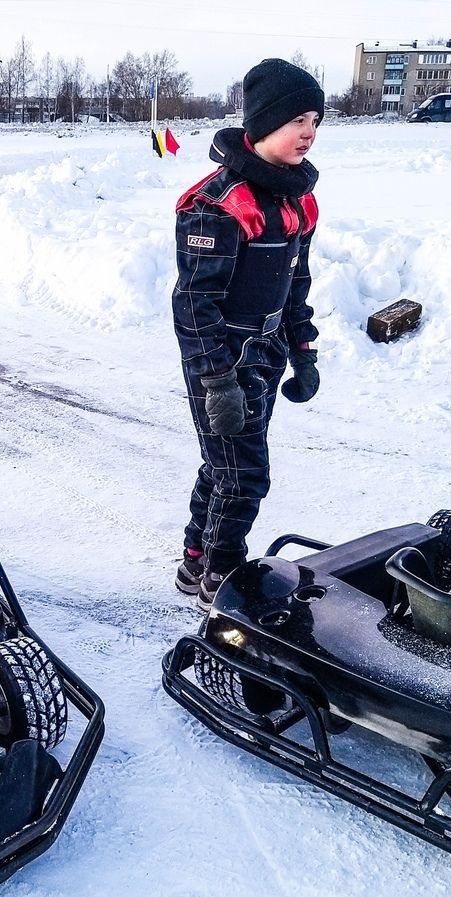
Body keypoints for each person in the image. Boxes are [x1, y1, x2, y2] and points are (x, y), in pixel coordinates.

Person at [172, 58, 324, 610]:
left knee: (225, 465)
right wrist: (217, 381)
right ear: (261, 126)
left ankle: (195, 558)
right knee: (245, 475)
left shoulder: (295, 200)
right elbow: (192, 303)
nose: (308, 131)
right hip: (222, 358)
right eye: (295, 121)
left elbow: (295, 282)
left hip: (267, 351)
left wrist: (303, 351)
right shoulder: (220, 204)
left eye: (315, 119)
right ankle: (221, 574)